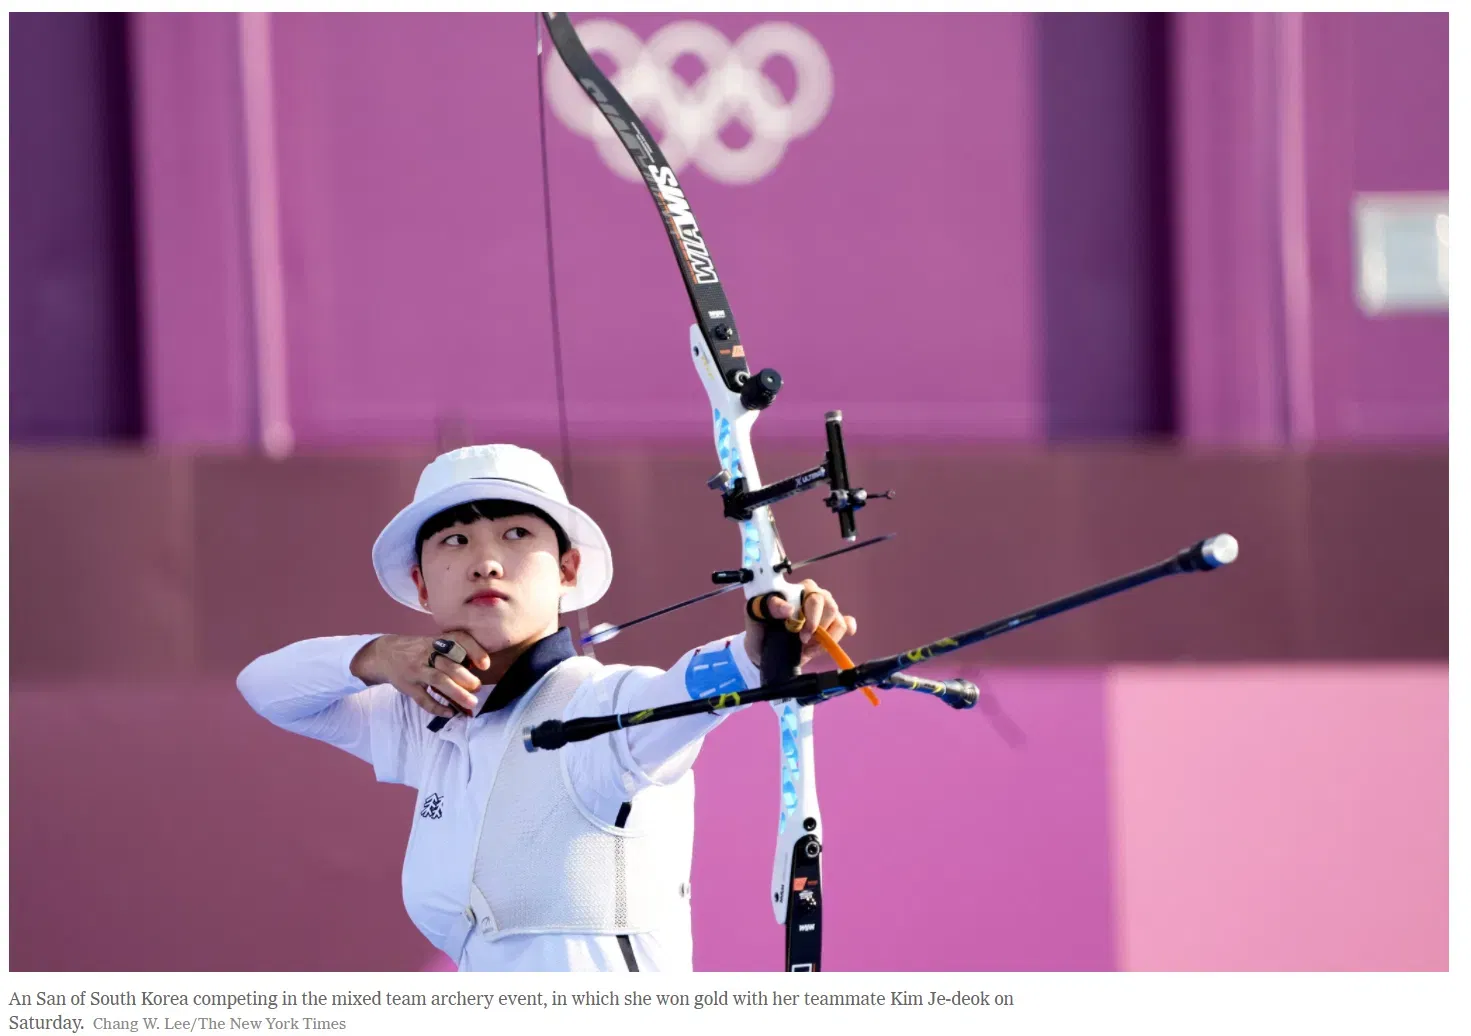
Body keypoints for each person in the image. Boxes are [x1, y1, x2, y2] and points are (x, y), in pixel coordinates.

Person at [237, 443, 856, 972]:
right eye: (455, 540)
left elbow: (690, 688)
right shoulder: (424, 716)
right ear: (423, 586)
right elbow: (266, 687)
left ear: (567, 569)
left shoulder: (603, 703)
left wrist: (765, 638)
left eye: (516, 534)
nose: (485, 560)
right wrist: (378, 655)